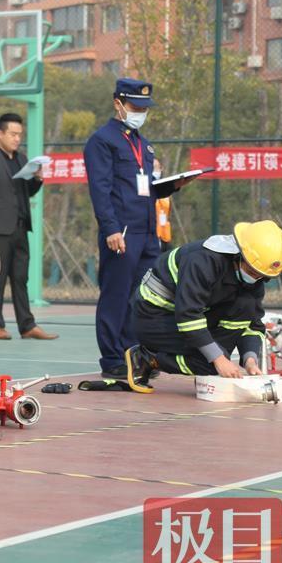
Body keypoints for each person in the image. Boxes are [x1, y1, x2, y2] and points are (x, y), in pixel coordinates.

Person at [82, 78, 186, 380]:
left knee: (141, 298)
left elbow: (147, 189)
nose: (141, 112)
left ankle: (134, 356)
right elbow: (100, 189)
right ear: (118, 103)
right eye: (135, 106)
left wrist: (172, 185)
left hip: (148, 232)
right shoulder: (102, 141)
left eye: (144, 108)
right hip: (123, 232)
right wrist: (111, 229)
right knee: (116, 296)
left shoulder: (144, 144)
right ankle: (113, 359)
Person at [124, 220, 282, 392]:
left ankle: (205, 365)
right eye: (252, 271)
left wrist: (250, 359)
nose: (255, 278)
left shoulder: (254, 276)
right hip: (152, 316)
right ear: (239, 254)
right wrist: (218, 359)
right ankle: (147, 359)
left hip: (186, 314)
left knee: (239, 314)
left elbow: (252, 324)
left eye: (261, 275)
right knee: (213, 361)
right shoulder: (202, 261)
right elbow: (188, 315)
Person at [0, 113, 56, 341]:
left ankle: (27, 326)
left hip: (20, 227)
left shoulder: (21, 159)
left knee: (20, 278)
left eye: (20, 135)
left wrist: (37, 179)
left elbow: (27, 192)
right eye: (13, 134)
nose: (17, 139)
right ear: (0, 134)